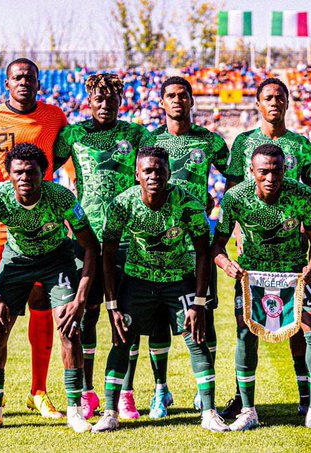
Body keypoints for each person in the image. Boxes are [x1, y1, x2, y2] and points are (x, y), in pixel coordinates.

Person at [91, 146, 228, 433]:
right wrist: (112, 305)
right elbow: (108, 253)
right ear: (137, 173)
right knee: (121, 339)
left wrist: (199, 302)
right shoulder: (121, 203)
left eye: (160, 170)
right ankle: (110, 412)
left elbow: (203, 253)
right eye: (148, 171)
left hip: (179, 280)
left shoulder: (188, 203)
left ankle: (209, 411)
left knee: (197, 338)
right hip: (137, 281)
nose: (155, 176)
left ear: (169, 173)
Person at [0, 58, 68, 420]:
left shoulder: (54, 117)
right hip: (4, 226)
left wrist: (70, 192)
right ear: (6, 83)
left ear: (40, 83)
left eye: (31, 77)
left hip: (46, 222)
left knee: (43, 304)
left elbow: (69, 165)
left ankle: (38, 391)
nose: (24, 82)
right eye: (17, 77)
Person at [0, 143, 99, 433]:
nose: (25, 178)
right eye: (18, 173)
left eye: (32, 173)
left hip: (58, 260)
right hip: (17, 261)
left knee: (69, 329)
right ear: (9, 174)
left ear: (44, 174)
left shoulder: (61, 197)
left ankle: (75, 411)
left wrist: (80, 297)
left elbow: (90, 245)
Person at [212, 144, 311, 432]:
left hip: (294, 275)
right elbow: (217, 245)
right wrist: (227, 264)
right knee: (246, 335)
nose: (271, 177)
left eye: (277, 171)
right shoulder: (235, 197)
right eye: (264, 172)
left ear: (285, 170)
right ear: (252, 172)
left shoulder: (302, 195)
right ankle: (248, 410)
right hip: (253, 277)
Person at [222, 77, 311, 418]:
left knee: (300, 327)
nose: (275, 102)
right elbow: (232, 192)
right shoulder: (243, 143)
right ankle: (243, 399)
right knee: (246, 327)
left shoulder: (301, 145)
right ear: (258, 103)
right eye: (268, 97)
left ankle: (306, 398)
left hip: (292, 256)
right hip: (254, 256)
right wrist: (237, 233)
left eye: (281, 97)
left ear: (289, 102)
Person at [53, 73, 147, 420]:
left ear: (120, 101)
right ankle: (89, 391)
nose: (105, 105)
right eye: (98, 100)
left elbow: (158, 169)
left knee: (127, 316)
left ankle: (126, 392)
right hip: (86, 239)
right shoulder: (73, 135)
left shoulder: (136, 134)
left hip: (129, 236)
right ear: (88, 101)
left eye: (111, 99)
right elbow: (44, 170)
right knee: (87, 315)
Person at [136, 76, 230, 419]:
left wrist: (217, 201)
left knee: (204, 314)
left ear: (192, 100)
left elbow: (234, 178)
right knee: (159, 319)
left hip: (196, 244)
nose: (177, 100)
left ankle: (202, 390)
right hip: (156, 245)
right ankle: (161, 389)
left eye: (183, 95)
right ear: (162, 102)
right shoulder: (149, 140)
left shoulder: (210, 142)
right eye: (171, 96)